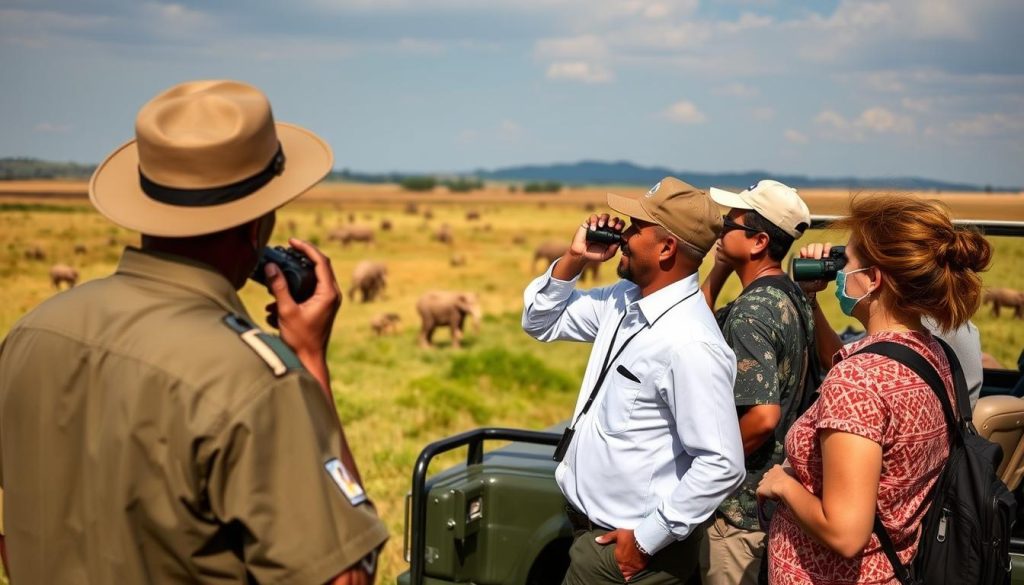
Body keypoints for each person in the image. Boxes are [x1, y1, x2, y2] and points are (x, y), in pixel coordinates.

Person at [0, 80, 388, 584]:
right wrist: (309, 360)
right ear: (257, 228)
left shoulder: (32, 334)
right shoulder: (254, 379)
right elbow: (343, 576)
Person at [755, 194, 992, 584]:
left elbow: (846, 534)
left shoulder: (860, 381)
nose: (839, 272)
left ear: (874, 279)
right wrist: (811, 299)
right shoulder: (933, 354)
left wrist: (782, 485)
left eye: (845, 262)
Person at [522, 177, 745, 584]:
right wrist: (575, 259)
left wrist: (643, 542)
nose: (622, 234)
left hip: (627, 556)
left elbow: (722, 464)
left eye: (636, 227)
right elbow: (540, 321)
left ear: (666, 248)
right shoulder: (622, 301)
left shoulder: (690, 343)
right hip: (590, 531)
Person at [697, 180, 813, 585]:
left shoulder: (751, 314)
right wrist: (722, 267)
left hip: (738, 510)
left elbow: (763, 418)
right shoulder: (788, 296)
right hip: (772, 500)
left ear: (759, 240)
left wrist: (710, 469)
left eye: (731, 223)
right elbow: (703, 327)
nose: (720, 228)